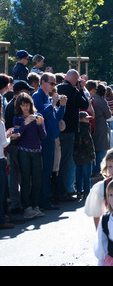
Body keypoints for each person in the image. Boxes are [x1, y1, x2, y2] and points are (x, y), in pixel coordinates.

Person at [32, 73, 66, 210]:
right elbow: (38, 116)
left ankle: (46, 198)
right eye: (52, 83)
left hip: (51, 138)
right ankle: (44, 201)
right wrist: (53, 103)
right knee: (45, 170)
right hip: (44, 139)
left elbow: (56, 117)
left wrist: (62, 106)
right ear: (43, 82)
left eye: (54, 84)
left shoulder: (47, 97)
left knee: (49, 170)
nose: (54, 86)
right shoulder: (37, 96)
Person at [56, 69, 89, 202]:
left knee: (56, 162)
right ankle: (64, 191)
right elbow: (85, 104)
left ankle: (56, 190)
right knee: (66, 161)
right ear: (75, 81)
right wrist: (81, 89)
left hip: (55, 129)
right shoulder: (74, 91)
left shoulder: (57, 88)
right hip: (68, 130)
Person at [13, 93, 47, 219]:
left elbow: (43, 136)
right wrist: (24, 124)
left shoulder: (38, 116)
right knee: (26, 179)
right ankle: (26, 207)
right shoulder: (17, 118)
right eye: (22, 105)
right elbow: (17, 135)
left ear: (30, 105)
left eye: (27, 105)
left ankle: (35, 206)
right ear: (19, 106)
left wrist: (39, 124)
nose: (25, 108)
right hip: (24, 151)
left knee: (37, 180)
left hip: (37, 150)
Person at [5, 81, 35, 215]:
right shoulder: (14, 107)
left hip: (16, 144)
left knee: (17, 176)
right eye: (26, 91)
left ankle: (18, 203)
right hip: (17, 145)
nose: (28, 94)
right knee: (20, 175)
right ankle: (20, 204)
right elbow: (15, 129)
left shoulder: (12, 104)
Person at [0, 99, 20, 229]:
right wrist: (9, 136)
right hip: (0, 158)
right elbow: (3, 143)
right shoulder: (0, 123)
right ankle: (1, 220)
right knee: (1, 192)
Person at [73, 111, 96, 199]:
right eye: (86, 118)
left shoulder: (75, 129)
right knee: (87, 175)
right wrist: (92, 155)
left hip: (77, 156)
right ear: (80, 119)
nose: (88, 120)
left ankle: (79, 191)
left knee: (78, 174)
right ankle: (87, 191)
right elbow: (89, 143)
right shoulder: (85, 129)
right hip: (86, 156)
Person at [91, 84, 112, 177]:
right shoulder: (102, 101)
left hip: (90, 127)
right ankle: (98, 170)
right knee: (101, 150)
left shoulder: (90, 99)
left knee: (92, 149)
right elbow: (108, 115)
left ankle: (91, 171)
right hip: (100, 127)